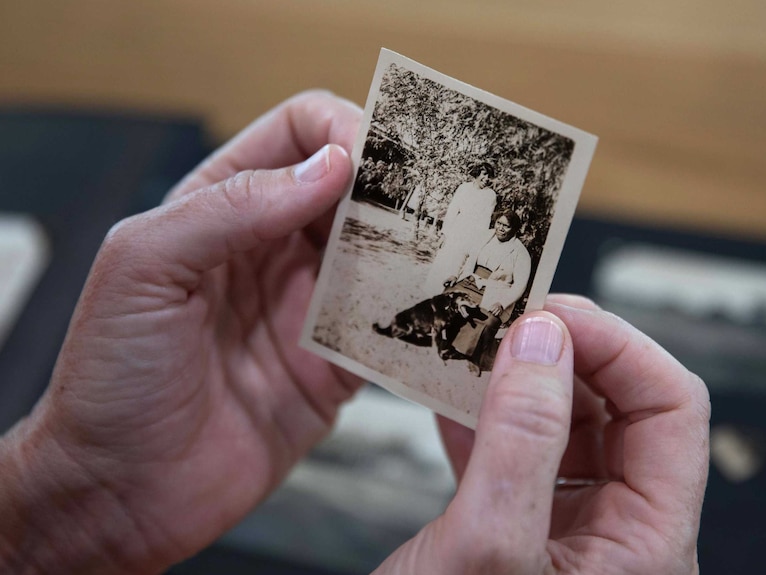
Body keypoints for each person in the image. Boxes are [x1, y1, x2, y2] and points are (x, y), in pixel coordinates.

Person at [0, 90, 710, 574]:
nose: (493, 223)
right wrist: (65, 496)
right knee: (417, 319)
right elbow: (458, 269)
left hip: (477, 316)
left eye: (497, 217)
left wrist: (65, 506)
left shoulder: (513, 253)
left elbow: (490, 285)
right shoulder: (473, 234)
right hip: (450, 306)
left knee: (446, 328)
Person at [445, 209, 531, 375]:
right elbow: (464, 255)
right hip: (470, 280)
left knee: (489, 320)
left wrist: (502, 303)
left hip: (495, 292)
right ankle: (452, 344)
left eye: (506, 226)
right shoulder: (485, 236)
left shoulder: (520, 253)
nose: (500, 228)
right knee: (449, 299)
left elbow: (520, 285)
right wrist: (454, 274)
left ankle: (476, 357)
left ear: (515, 229)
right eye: (499, 223)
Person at [423, 162, 498, 296]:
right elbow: (453, 210)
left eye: (489, 176)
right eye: (484, 174)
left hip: (472, 234)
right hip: (456, 230)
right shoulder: (464, 188)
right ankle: (430, 296)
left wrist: (477, 243)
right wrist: (445, 234)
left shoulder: (491, 195)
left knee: (457, 266)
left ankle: (445, 297)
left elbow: (486, 221)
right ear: (477, 173)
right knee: (443, 260)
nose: (486, 179)